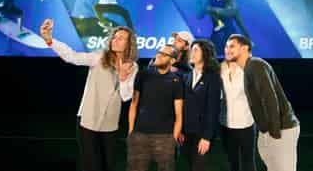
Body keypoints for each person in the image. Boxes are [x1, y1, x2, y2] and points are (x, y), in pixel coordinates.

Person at [40, 19, 139, 171]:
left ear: (129, 44)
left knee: (109, 165)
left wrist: (123, 78)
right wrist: (49, 40)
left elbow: (126, 97)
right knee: (91, 165)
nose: (115, 40)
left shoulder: (132, 66)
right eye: (114, 36)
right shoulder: (99, 57)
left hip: (110, 124)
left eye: (120, 38)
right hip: (88, 120)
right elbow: (72, 56)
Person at [224, 34, 300, 171]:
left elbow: (269, 98)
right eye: (226, 46)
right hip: (268, 130)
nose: (227, 50)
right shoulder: (247, 68)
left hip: (282, 128)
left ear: (244, 48)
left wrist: (274, 133)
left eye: (232, 46)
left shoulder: (255, 65)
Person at [127, 44, 183, 171]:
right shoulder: (143, 75)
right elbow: (133, 104)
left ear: (172, 60)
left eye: (163, 54)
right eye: (158, 52)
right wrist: (131, 132)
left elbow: (179, 114)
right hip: (139, 135)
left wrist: (173, 140)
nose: (158, 55)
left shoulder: (176, 81)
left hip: (165, 138)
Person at [180, 39, 221, 171]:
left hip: (202, 134)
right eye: (191, 50)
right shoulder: (185, 77)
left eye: (196, 50)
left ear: (205, 53)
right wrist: (180, 130)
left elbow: (213, 109)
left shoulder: (213, 78)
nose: (192, 53)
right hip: (185, 134)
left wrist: (206, 137)